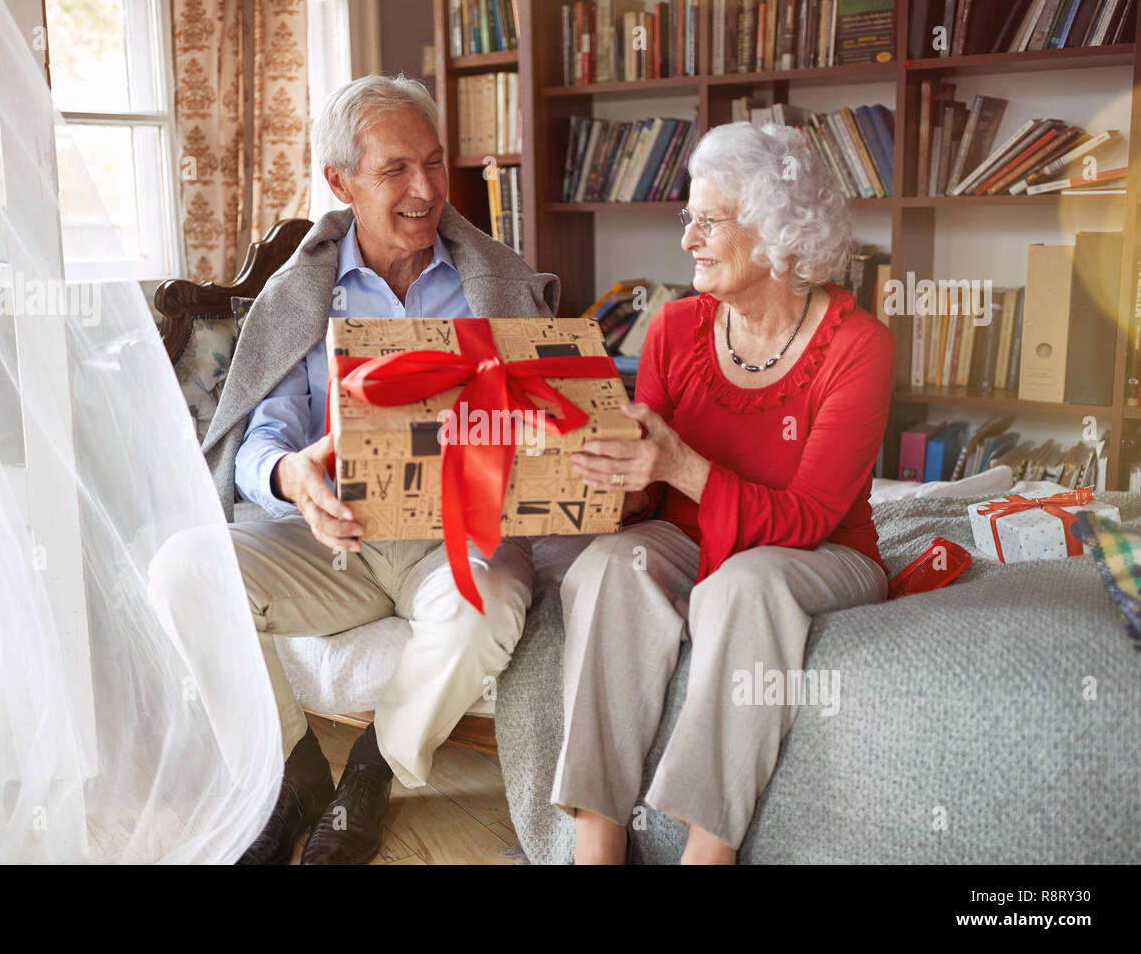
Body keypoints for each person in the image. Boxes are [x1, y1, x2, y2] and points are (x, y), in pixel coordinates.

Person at [150, 74, 559, 865]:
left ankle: (372, 771)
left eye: (436, 164)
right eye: (396, 169)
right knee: (180, 570)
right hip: (334, 535)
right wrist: (288, 477)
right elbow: (264, 432)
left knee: (494, 599)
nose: (426, 189)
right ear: (339, 181)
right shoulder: (302, 292)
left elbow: (548, 417)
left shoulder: (497, 282)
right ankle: (291, 774)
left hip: (455, 539)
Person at [553, 121, 896, 865]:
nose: (688, 241)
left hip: (823, 550)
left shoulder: (857, 346)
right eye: (689, 220)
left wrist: (680, 468)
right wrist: (605, 481)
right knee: (609, 565)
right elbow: (652, 494)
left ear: (776, 231)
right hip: (693, 534)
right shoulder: (675, 329)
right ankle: (596, 842)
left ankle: (709, 852)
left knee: (745, 586)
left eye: (706, 221)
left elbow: (809, 517)